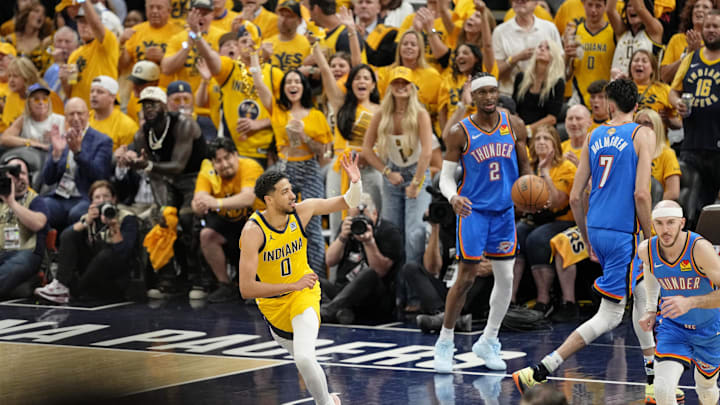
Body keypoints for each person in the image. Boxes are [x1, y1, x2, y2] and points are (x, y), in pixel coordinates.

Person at [511, 79, 662, 400]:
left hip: (597, 229)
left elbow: (578, 197)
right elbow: (641, 193)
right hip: (625, 234)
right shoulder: (641, 133)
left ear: (609, 105)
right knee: (610, 315)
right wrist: (653, 240)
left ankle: (653, 382)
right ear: (636, 105)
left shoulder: (594, 135)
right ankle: (539, 370)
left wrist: (586, 237)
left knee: (644, 298)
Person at [238, 154, 363, 405]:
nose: (292, 195)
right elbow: (246, 288)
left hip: (304, 293)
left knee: (304, 358)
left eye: (291, 189)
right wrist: (289, 285)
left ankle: (325, 404)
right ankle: (329, 401)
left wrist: (356, 182)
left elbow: (348, 201)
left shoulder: (303, 211)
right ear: (268, 200)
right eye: (285, 192)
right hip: (274, 307)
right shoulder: (253, 232)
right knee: (307, 361)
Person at [433, 73, 532, 372]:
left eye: (493, 91)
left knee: (506, 279)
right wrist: (453, 198)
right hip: (473, 211)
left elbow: (525, 165)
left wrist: (529, 190)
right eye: (483, 92)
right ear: (473, 97)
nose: (489, 97)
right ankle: (445, 341)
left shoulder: (514, 125)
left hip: (503, 213)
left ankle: (488, 340)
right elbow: (445, 178)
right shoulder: (459, 132)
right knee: (465, 278)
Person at [117, 86, 206, 296]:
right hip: (166, 180)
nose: (148, 108)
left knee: (187, 218)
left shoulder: (183, 124)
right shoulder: (142, 134)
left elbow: (178, 165)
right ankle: (168, 279)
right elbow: (152, 172)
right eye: (145, 105)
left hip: (197, 177)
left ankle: (198, 280)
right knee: (160, 219)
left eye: (153, 104)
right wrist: (162, 205)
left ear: (164, 105)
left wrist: (147, 166)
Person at [253, 59, 332, 277]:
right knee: (280, 225)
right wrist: (253, 58)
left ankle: (317, 282)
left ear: (303, 87)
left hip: (309, 169)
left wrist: (304, 135)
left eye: (297, 81)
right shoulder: (277, 110)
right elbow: (259, 85)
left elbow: (324, 151)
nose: (293, 85)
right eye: (288, 82)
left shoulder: (315, 115)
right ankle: (282, 280)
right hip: (283, 170)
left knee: (312, 226)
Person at [636, 200, 720, 405]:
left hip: (710, 328)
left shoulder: (700, 249)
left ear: (682, 223)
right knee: (663, 389)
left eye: (671, 222)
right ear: (652, 224)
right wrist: (650, 309)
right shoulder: (647, 249)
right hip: (674, 327)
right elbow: (651, 271)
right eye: (660, 223)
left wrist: (690, 302)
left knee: (706, 388)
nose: (665, 230)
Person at [361, 66, 433, 265]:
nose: (401, 87)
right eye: (397, 83)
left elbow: (427, 151)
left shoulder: (420, 114)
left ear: (411, 87)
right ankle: (395, 289)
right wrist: (386, 172)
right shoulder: (381, 115)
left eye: (405, 83)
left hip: (417, 172)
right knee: (392, 233)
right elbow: (366, 149)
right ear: (390, 87)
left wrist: (416, 182)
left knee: (415, 233)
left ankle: (413, 289)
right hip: (392, 174)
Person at [313, 44, 383, 241]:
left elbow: (383, 142)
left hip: (369, 169)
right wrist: (316, 47)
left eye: (366, 78)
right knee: (338, 223)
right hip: (340, 168)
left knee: (372, 218)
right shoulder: (341, 104)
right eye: (357, 78)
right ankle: (337, 271)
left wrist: (352, 33)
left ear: (373, 84)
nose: (361, 81)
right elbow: (326, 73)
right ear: (351, 83)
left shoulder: (381, 110)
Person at [34, 180, 138, 304]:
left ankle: (76, 291)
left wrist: (113, 226)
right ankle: (60, 285)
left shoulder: (127, 218)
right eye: (97, 197)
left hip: (114, 279)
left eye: (106, 196)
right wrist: (86, 222)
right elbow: (66, 237)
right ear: (92, 202)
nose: (102, 200)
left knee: (107, 253)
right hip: (91, 276)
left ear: (114, 199)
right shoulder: (88, 218)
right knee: (71, 235)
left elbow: (123, 253)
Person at [511, 125, 577, 318]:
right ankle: (510, 300)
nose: (540, 142)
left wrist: (545, 173)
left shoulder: (566, 167)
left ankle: (543, 300)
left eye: (546, 139)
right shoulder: (527, 167)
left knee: (538, 239)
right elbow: (517, 205)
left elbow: (557, 202)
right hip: (535, 220)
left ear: (555, 144)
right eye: (538, 138)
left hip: (565, 221)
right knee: (516, 234)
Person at [191, 137, 264, 303]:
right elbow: (197, 203)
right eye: (218, 161)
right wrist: (199, 205)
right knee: (207, 235)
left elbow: (248, 197)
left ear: (236, 155)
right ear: (212, 163)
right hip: (230, 223)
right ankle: (225, 285)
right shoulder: (207, 173)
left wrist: (215, 202)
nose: (224, 164)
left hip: (259, 224)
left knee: (251, 229)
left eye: (227, 158)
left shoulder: (250, 167)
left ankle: (257, 284)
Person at [669, 9, 720, 229]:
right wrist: (676, 103)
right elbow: (673, 91)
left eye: (716, 26)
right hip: (693, 144)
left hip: (718, 144)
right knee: (691, 205)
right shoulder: (690, 58)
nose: (711, 30)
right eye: (708, 26)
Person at [320, 193, 404, 324]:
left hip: (373, 298)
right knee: (312, 280)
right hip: (342, 291)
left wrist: (369, 242)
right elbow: (330, 261)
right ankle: (340, 311)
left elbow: (380, 271)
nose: (359, 222)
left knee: (369, 273)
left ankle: (330, 310)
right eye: (354, 218)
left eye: (364, 217)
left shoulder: (389, 231)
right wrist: (342, 237)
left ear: (375, 213)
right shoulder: (347, 227)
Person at [41, 97, 113, 230]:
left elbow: (100, 176)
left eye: (79, 113)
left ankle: (67, 248)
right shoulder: (60, 139)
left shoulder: (102, 141)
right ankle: (44, 249)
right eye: (71, 114)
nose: (75, 118)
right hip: (61, 196)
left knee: (76, 214)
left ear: (87, 114)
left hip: (85, 196)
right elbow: (48, 179)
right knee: (42, 207)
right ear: (65, 117)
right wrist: (56, 155)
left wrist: (78, 153)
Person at [0, 155, 49, 298]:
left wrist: (12, 202)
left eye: (22, 173)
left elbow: (38, 224)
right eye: (13, 173)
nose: (19, 177)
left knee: (16, 266)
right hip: (2, 252)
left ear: (29, 177)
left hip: (26, 253)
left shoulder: (36, 200)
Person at [491, 0, 563, 95]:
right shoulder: (500, 31)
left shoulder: (550, 28)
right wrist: (515, 59)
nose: (519, 1)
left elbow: (560, 66)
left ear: (536, 3)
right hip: (509, 95)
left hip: (544, 95)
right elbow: (495, 73)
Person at [61, 0, 119, 106]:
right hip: (82, 114)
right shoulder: (74, 55)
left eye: (87, 21)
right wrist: (64, 80)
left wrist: (83, 1)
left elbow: (96, 25)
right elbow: (70, 93)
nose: (84, 25)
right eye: (81, 21)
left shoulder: (108, 42)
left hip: (104, 111)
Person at [564, 0, 615, 108]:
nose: (593, 10)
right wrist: (567, 57)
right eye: (590, 5)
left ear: (605, 7)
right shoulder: (574, 33)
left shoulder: (613, 32)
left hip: (605, 95)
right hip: (579, 94)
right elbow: (565, 75)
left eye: (598, 6)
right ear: (583, 5)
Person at [512, 40, 565, 137]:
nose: (542, 49)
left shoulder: (557, 83)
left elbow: (552, 118)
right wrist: (517, 129)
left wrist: (527, 130)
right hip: (520, 131)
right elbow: (515, 109)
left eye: (547, 48)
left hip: (545, 132)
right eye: (539, 46)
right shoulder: (521, 77)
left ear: (554, 56)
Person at [0, 83, 64, 160]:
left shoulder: (60, 120)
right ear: (28, 103)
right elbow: (4, 138)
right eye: (36, 99)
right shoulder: (24, 120)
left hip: (54, 159)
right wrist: (30, 142)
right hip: (32, 159)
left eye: (45, 99)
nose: (41, 102)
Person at [118, 0, 183, 72]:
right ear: (146, 9)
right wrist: (122, 43)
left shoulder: (179, 33)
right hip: (139, 81)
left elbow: (184, 65)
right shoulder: (135, 31)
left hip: (166, 82)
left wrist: (163, 58)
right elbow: (122, 65)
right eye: (151, 7)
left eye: (159, 8)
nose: (154, 11)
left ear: (169, 10)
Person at [660, 0, 714, 83]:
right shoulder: (677, 39)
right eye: (696, 6)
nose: (699, 9)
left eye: (705, 7)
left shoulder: (715, 42)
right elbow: (664, 77)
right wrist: (688, 55)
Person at [626, 50, 682, 130]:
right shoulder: (623, 88)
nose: (639, 64)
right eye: (636, 60)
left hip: (657, 140)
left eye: (644, 61)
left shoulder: (664, 90)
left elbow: (679, 124)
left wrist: (667, 120)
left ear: (653, 68)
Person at [635, 108, 681, 201]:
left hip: (656, 206)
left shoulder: (667, 154)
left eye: (647, 123)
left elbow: (673, 193)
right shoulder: (629, 153)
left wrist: (651, 204)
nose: (641, 127)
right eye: (638, 123)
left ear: (656, 127)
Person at [606, 0, 663, 73]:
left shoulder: (655, 30)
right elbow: (610, 10)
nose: (632, 9)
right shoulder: (622, 32)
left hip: (646, 84)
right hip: (619, 82)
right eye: (629, 6)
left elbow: (639, 8)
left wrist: (639, 7)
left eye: (633, 6)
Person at [88, 75, 139, 151]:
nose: (94, 95)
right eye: (92, 91)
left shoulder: (127, 126)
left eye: (100, 92)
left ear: (112, 97)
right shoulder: (84, 119)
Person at [267, 0, 312, 72]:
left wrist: (311, 70)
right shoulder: (266, 44)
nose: (283, 20)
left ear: (299, 21)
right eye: (281, 15)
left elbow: (316, 71)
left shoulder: (307, 44)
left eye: (289, 16)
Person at [43, 27, 79, 94]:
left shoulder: (78, 65)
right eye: (59, 41)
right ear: (54, 45)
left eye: (67, 41)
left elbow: (71, 91)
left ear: (76, 46)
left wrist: (61, 63)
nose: (63, 45)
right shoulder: (51, 69)